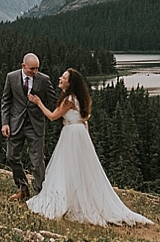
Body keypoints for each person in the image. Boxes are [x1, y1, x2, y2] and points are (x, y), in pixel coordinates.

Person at [26, 68, 153, 227]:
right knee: (79, 168)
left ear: (70, 83)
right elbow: (85, 118)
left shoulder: (69, 100)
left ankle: (69, 200)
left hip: (72, 134)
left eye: (63, 77)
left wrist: (38, 103)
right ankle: (77, 197)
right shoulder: (78, 98)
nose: (60, 78)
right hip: (79, 133)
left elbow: (52, 117)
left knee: (67, 167)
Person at [0, 53, 55, 202]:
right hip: (15, 125)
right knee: (11, 157)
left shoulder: (44, 80)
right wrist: (5, 123)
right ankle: (23, 188)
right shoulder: (11, 77)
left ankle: (40, 195)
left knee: (37, 161)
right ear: (23, 66)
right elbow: (6, 101)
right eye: (32, 69)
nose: (35, 72)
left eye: (37, 69)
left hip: (35, 126)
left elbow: (53, 101)